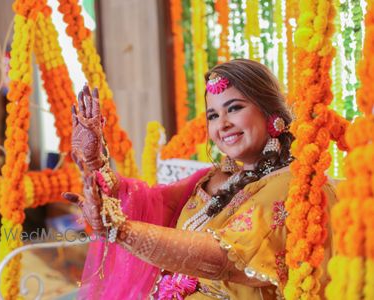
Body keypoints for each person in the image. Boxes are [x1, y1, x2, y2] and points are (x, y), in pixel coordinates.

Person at [63, 59, 337, 299]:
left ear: (270, 112)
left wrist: (120, 230)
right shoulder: (216, 177)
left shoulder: (291, 184)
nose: (223, 124)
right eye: (213, 115)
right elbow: (156, 204)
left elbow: (225, 259)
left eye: (234, 108)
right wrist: (95, 161)